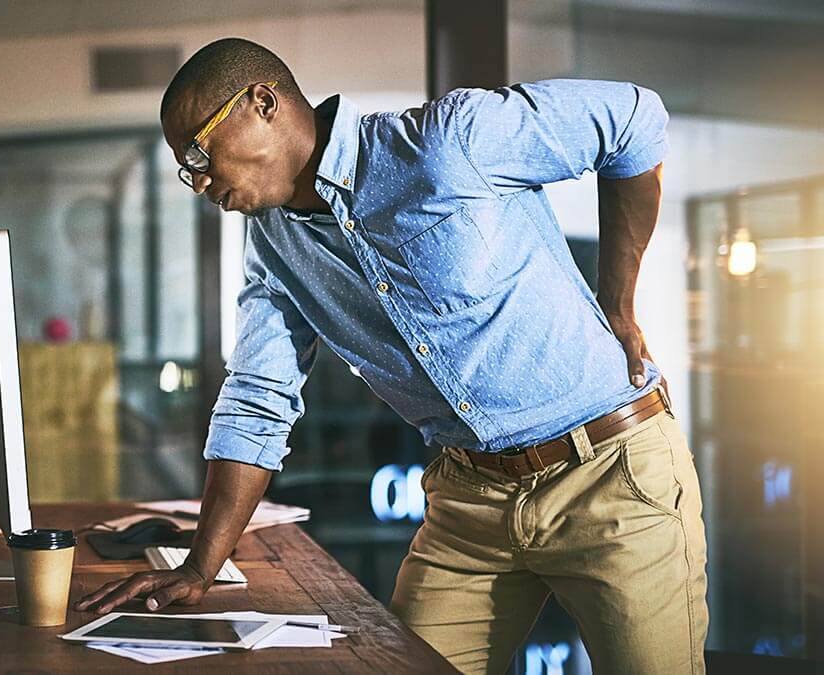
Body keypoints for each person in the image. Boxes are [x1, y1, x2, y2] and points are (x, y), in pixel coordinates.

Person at [76, 37, 707, 674]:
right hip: (471, 499)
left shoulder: (446, 141)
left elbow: (634, 119)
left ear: (262, 103)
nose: (199, 181)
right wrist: (199, 567)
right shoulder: (273, 246)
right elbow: (256, 397)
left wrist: (618, 307)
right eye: (186, 168)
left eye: (198, 151)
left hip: (611, 477)